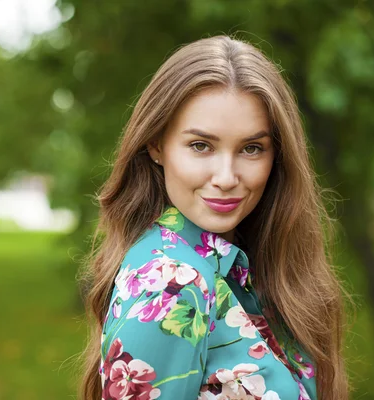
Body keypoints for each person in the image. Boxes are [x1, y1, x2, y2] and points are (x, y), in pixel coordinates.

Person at [78, 35, 349, 399]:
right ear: (156, 144)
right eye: (201, 145)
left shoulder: (250, 271)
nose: (226, 177)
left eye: (252, 148)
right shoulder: (170, 284)